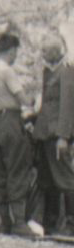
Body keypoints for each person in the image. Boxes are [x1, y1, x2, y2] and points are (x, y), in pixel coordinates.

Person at [0, 33, 37, 238]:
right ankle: (20, 223)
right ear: (12, 50)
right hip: (11, 123)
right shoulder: (7, 71)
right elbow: (22, 99)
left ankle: (4, 222)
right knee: (17, 170)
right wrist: (32, 100)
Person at [33, 29, 74, 235]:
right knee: (48, 180)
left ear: (56, 52)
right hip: (45, 134)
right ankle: (49, 224)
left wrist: (63, 137)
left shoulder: (66, 70)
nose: (42, 54)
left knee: (65, 178)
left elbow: (67, 106)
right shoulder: (49, 71)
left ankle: (71, 224)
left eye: (45, 51)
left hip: (56, 135)